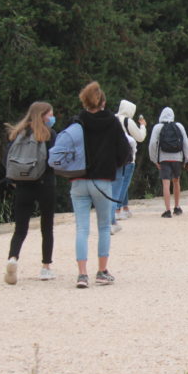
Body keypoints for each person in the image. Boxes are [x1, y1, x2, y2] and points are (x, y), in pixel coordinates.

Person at [70, 81, 131, 289]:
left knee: (82, 228)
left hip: (79, 180)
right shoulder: (112, 122)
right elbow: (125, 152)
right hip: (102, 181)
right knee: (104, 227)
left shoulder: (77, 121)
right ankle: (102, 272)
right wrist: (113, 164)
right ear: (103, 101)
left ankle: (81, 274)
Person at [3, 101, 57, 285]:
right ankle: (46, 267)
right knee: (46, 227)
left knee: (20, 229)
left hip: (23, 185)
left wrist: (14, 181)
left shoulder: (18, 133)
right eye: (50, 114)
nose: (52, 118)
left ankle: (13, 258)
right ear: (43, 115)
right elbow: (53, 159)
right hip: (45, 184)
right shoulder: (49, 135)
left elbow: (7, 160)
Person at [149, 107, 188, 217]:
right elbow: (186, 143)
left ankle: (167, 210)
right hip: (177, 158)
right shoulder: (179, 126)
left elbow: (153, 144)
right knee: (176, 181)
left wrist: (154, 159)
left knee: (166, 184)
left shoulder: (158, 127)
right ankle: (177, 207)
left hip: (164, 158)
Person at [111, 100, 147, 230]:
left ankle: (124, 207)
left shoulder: (113, 118)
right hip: (127, 155)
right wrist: (143, 126)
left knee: (118, 182)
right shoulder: (128, 121)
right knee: (124, 183)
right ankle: (117, 209)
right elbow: (140, 137)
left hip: (113, 156)